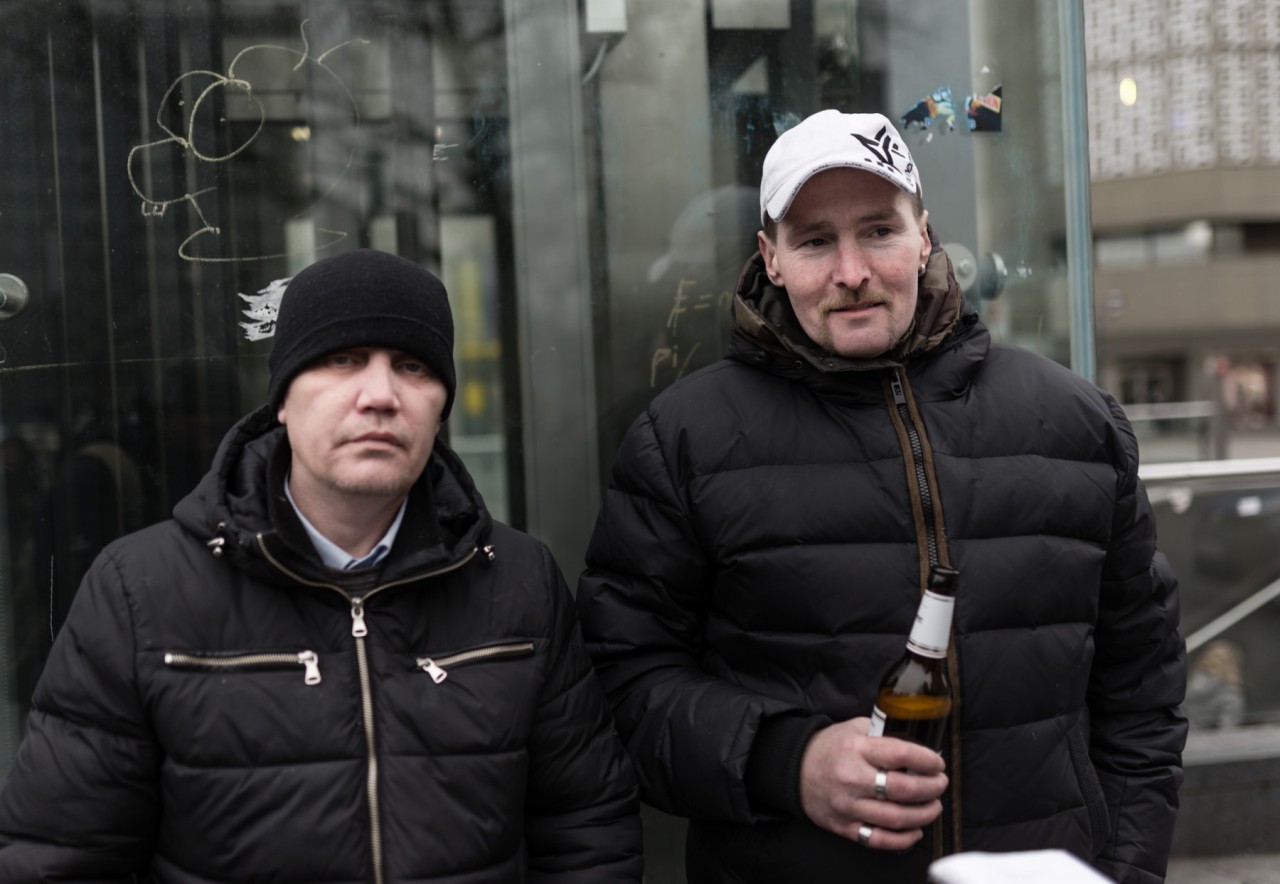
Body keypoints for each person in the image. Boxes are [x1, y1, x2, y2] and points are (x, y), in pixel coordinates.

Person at [576, 110, 1186, 883]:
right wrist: (785, 761)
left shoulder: (1073, 422)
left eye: (879, 231)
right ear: (770, 257)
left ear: (924, 235)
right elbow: (621, 685)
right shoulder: (684, 440)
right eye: (815, 241)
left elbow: (1144, 687)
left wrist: (1128, 870)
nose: (852, 271)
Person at [0, 249, 643, 882]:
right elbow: (62, 857)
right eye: (343, 360)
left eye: (413, 366)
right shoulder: (139, 591)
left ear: (442, 403)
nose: (381, 395)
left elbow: (585, 829)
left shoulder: (516, 578)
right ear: (282, 398)